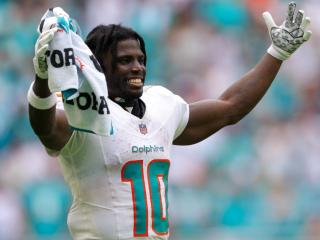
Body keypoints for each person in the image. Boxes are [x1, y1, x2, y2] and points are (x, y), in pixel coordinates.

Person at [28, 2, 311, 240]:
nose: (137, 66)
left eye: (140, 58)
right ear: (98, 68)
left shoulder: (160, 104)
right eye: (125, 60)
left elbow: (230, 108)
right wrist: (42, 79)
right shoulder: (84, 114)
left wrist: (277, 54)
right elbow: (46, 126)